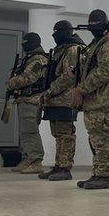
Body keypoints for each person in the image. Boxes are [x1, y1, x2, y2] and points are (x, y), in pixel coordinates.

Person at [72, 9, 109, 190]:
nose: (93, 27)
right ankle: (98, 173)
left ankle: (104, 176)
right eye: (91, 24)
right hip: (95, 100)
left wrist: (81, 89)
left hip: (104, 100)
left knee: (101, 139)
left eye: (96, 24)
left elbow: (107, 71)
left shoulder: (108, 43)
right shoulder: (97, 43)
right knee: (95, 139)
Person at [38, 20, 85, 181]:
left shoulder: (73, 49)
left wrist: (49, 91)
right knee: (58, 134)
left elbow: (69, 76)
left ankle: (65, 168)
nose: (54, 34)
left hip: (66, 99)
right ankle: (58, 165)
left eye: (57, 31)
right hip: (55, 99)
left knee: (65, 134)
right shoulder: (60, 49)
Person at [5, 32, 48, 174]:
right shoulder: (28, 58)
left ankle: (36, 161)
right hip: (24, 99)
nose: (23, 45)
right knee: (24, 132)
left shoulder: (39, 60)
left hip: (32, 100)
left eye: (25, 43)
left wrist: (10, 83)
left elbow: (28, 78)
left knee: (30, 131)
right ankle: (27, 158)